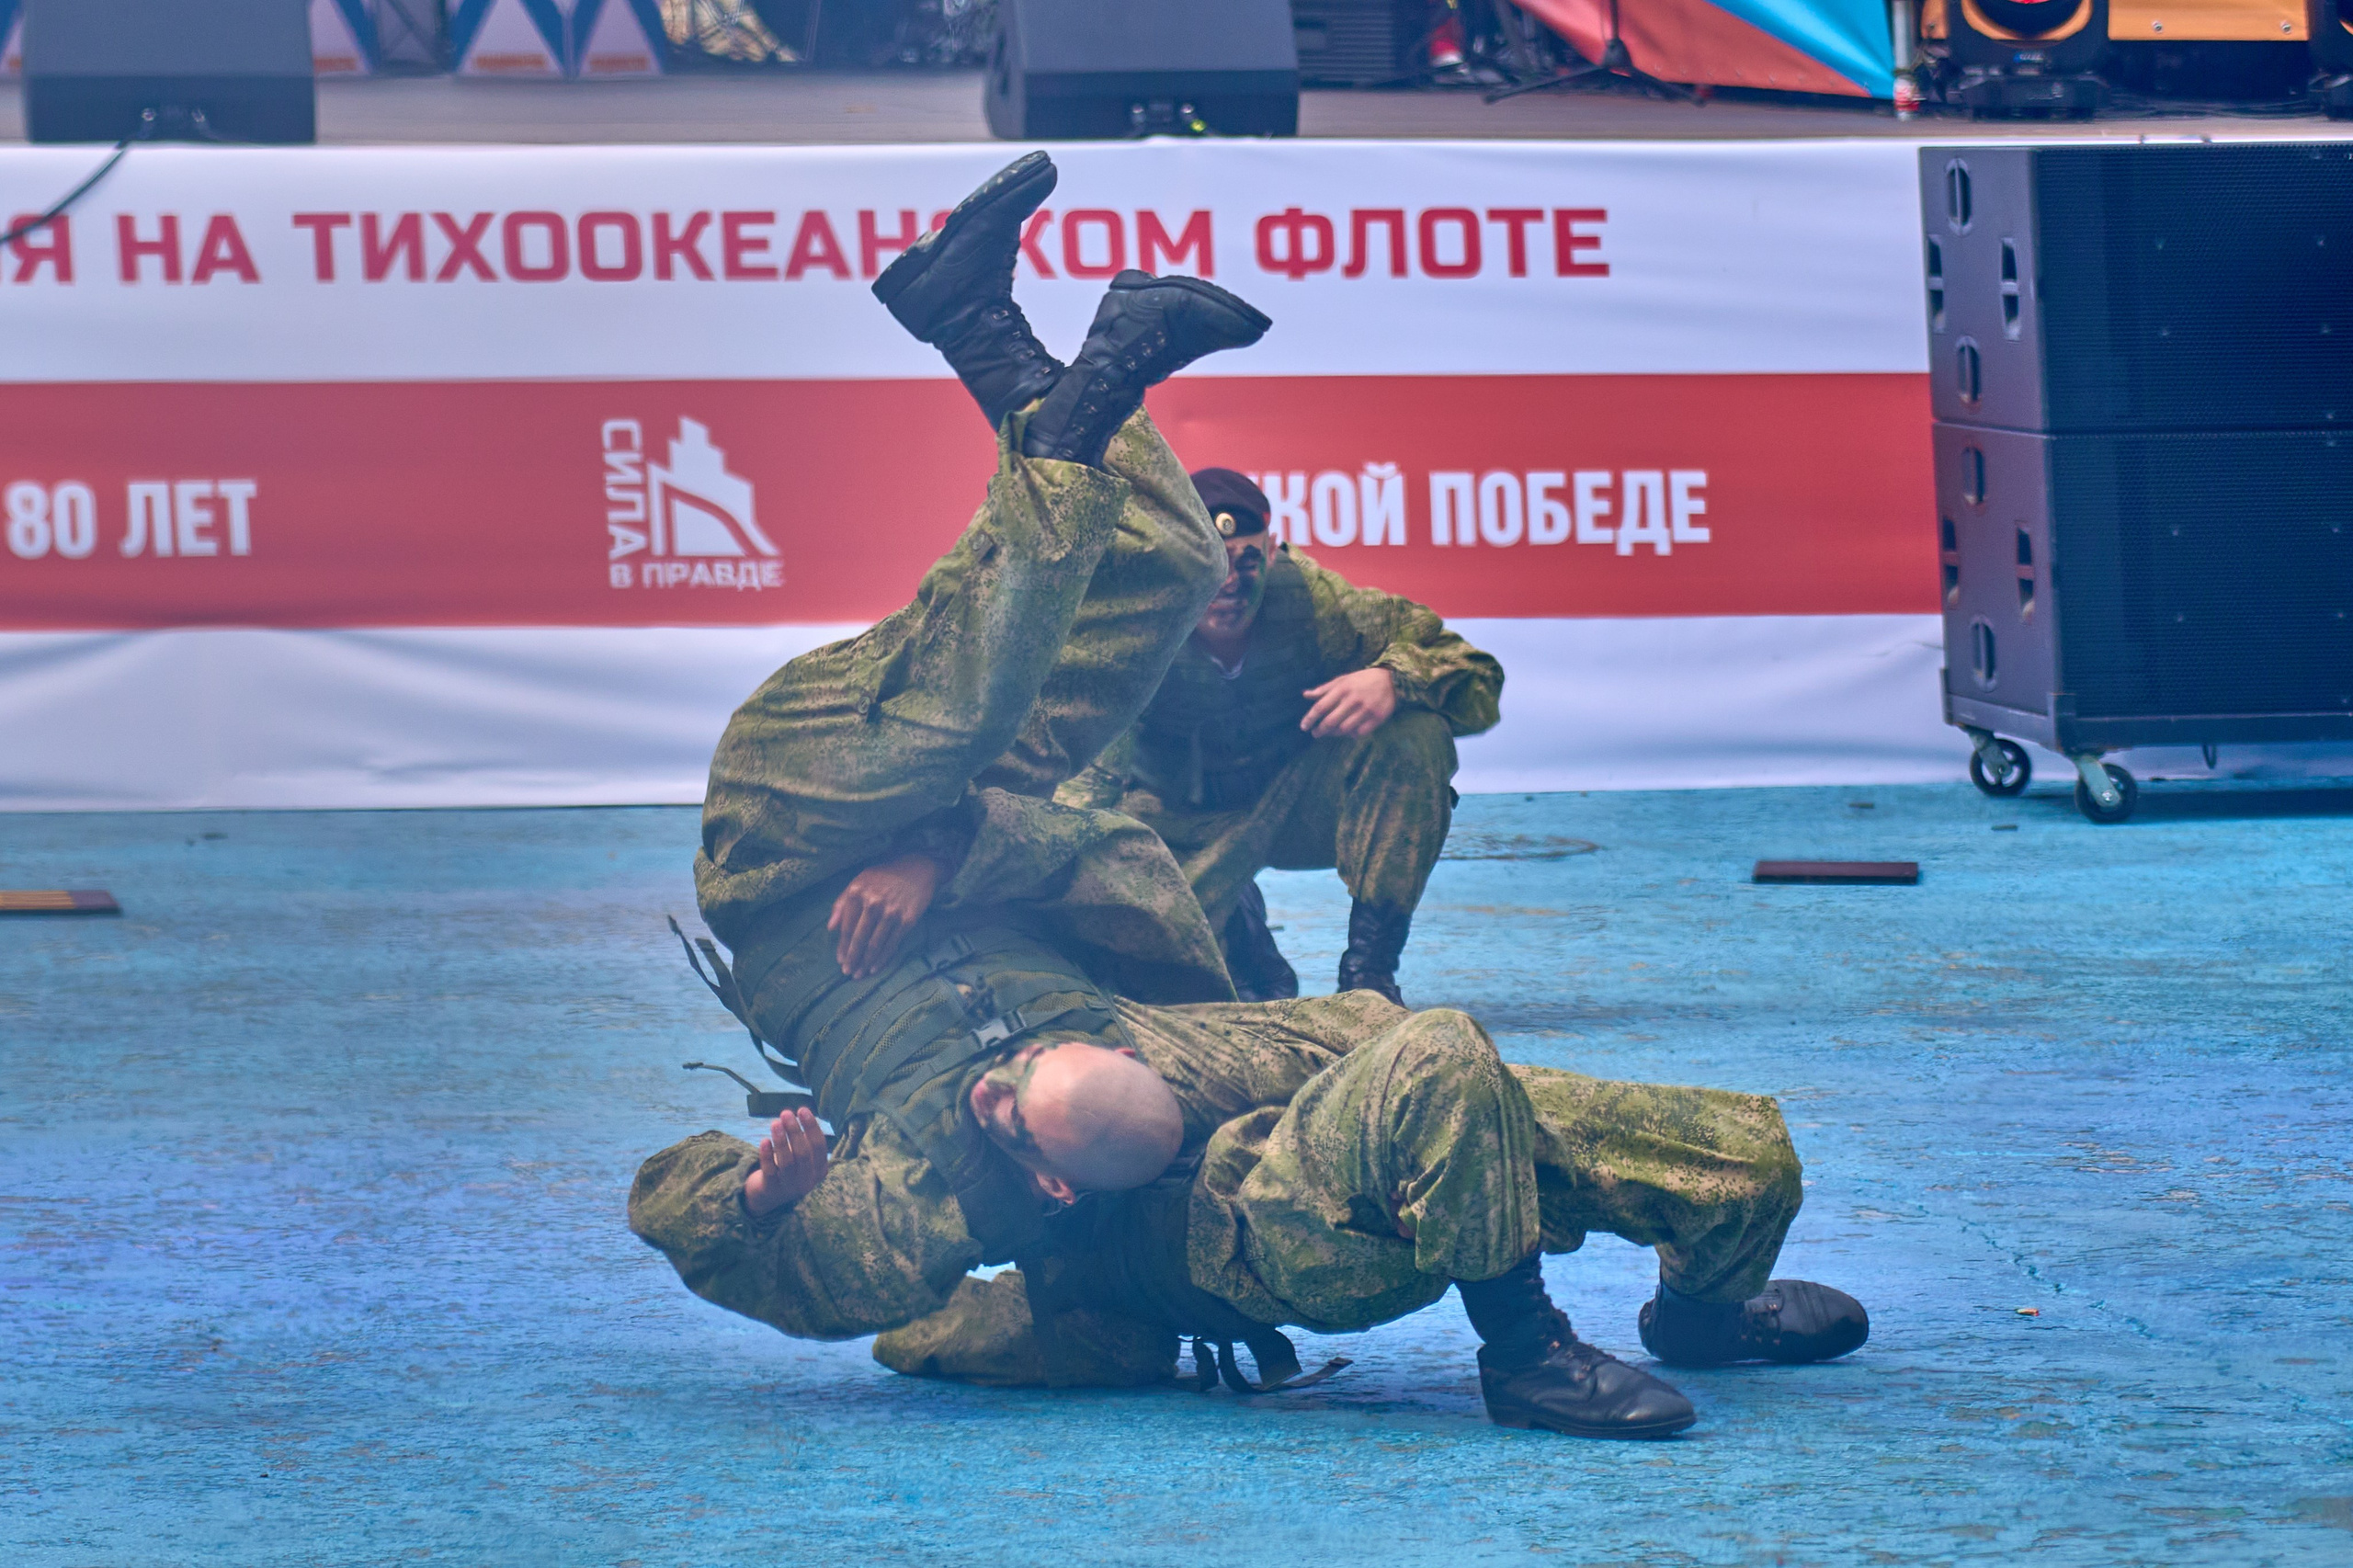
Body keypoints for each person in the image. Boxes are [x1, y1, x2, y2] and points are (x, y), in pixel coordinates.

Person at [628, 153, 1867, 1440]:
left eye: (1013, 1093)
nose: (999, 1075)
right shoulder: (1139, 1062)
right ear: (1092, 1111)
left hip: (790, 848)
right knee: (1169, 570)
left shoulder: (931, 1188)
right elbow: (1131, 849)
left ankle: (986, 334)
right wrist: (955, 849)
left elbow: (699, 1213)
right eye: (1027, 1078)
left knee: (975, 693)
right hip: (1007, 810)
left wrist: (760, 1199)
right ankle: (1002, 341)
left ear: (1049, 1178)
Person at [1058, 473, 1502, 1006]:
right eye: (1210, 564)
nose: (1228, 584)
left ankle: (1369, 976)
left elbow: (1478, 676)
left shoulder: (1315, 601)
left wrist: (1393, 680)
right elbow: (1079, 777)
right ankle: (1233, 921)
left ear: (1272, 553)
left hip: (1296, 805)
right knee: (1162, 987)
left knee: (1415, 734)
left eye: (1246, 562)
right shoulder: (1131, 620)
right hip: (1176, 824)